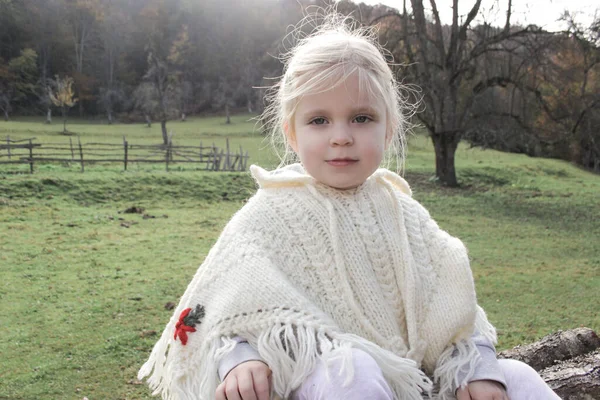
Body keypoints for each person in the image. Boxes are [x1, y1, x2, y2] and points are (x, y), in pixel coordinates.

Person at [139, 13, 561, 400]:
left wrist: (479, 368)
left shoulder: (403, 215)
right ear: (291, 132)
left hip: (414, 386)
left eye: (361, 118)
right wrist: (242, 361)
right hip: (321, 385)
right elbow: (226, 316)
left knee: (518, 376)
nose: (341, 136)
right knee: (350, 368)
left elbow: (455, 310)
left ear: (389, 127)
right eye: (319, 120)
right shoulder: (271, 214)